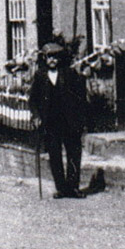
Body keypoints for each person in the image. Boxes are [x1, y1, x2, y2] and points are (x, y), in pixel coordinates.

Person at [28, 42, 88, 199]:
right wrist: (36, 116)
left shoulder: (69, 73)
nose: (52, 60)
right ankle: (61, 188)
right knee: (54, 154)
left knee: (74, 153)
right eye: (49, 57)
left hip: (69, 120)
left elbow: (80, 95)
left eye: (55, 57)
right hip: (51, 122)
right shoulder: (40, 76)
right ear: (45, 58)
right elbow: (33, 99)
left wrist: (80, 118)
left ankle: (73, 187)